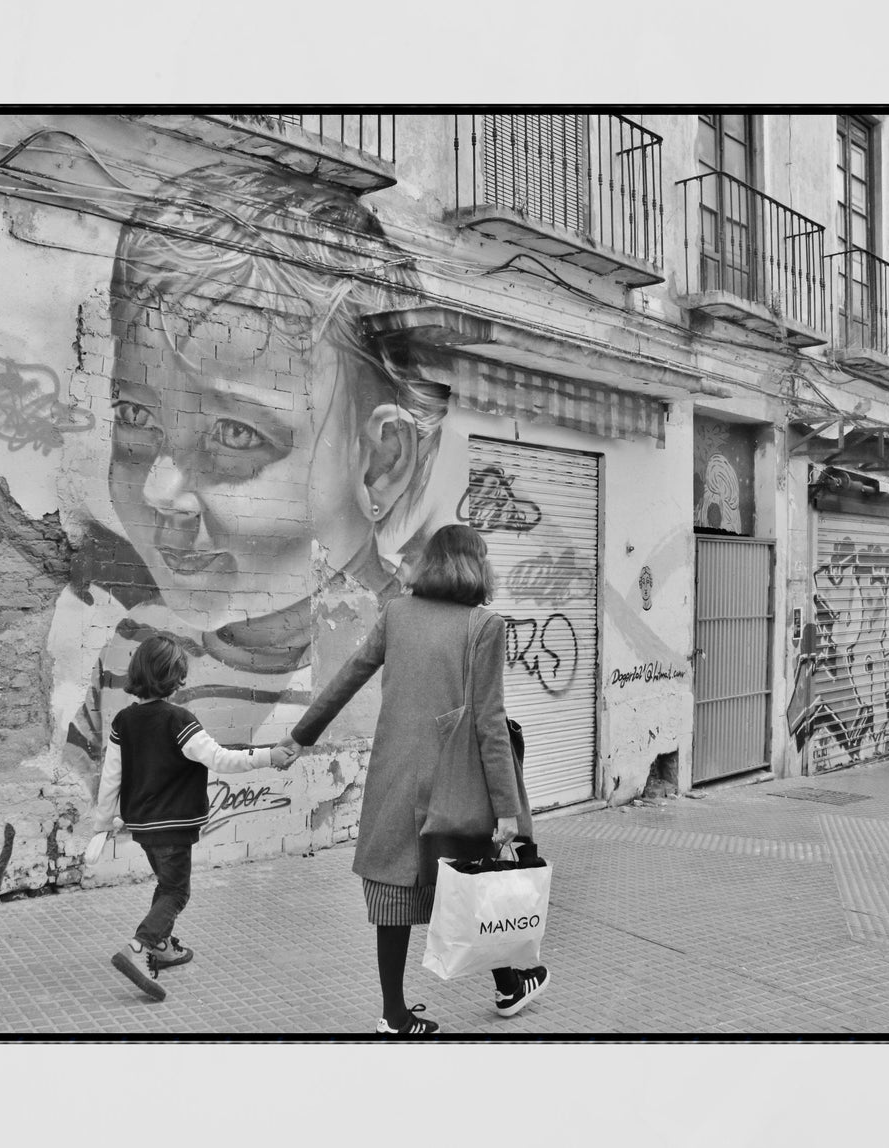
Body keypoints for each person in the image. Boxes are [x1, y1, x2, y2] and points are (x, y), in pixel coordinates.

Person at [50, 160, 450, 781]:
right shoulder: (136, 649)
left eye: (235, 434)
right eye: (134, 415)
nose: (159, 490)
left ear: (381, 462)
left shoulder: (419, 653)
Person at [279, 524, 548, 1036]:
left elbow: (351, 673)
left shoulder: (397, 613)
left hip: (395, 777)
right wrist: (508, 808)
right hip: (457, 783)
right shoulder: (485, 626)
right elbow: (490, 723)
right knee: (470, 877)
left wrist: (301, 736)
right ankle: (511, 981)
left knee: (394, 892)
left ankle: (396, 1014)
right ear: (475, 566)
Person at [84, 633, 297, 1000]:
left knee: (166, 885)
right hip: (175, 826)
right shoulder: (178, 719)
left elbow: (111, 777)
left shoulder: (124, 721)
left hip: (143, 827)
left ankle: (163, 947)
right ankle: (140, 947)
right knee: (177, 890)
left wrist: (103, 823)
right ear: (174, 677)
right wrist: (268, 755)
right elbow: (219, 759)